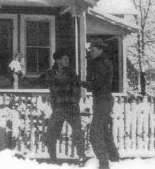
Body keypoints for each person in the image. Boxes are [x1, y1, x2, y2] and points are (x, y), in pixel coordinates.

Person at [81, 38, 120, 169]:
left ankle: (104, 165)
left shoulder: (100, 64)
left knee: (94, 135)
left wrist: (79, 82)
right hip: (103, 100)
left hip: (103, 100)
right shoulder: (99, 62)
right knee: (104, 132)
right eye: (90, 50)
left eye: (93, 50)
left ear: (100, 49)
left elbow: (95, 85)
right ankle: (115, 160)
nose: (91, 52)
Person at [43, 49, 86, 166]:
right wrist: (21, 75)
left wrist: (73, 103)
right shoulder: (51, 73)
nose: (68, 61)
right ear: (58, 60)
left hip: (71, 108)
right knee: (51, 134)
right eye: (65, 59)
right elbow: (41, 83)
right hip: (58, 109)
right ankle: (53, 161)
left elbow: (77, 91)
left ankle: (82, 157)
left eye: (68, 59)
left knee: (78, 133)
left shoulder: (71, 73)